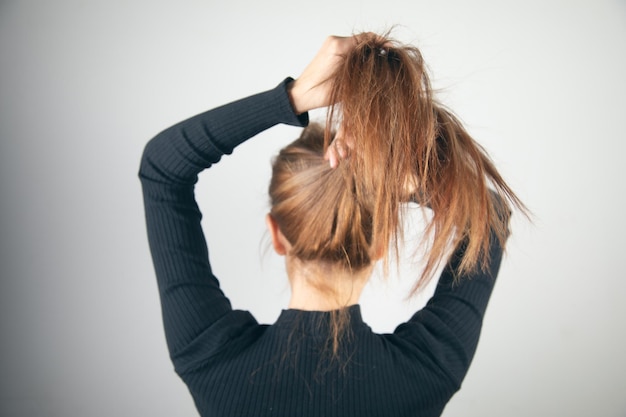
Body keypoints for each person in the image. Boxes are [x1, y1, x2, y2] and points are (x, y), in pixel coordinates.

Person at [139, 32, 525, 417]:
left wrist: (292, 98)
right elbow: (489, 214)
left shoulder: (210, 360)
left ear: (277, 235)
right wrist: (392, 180)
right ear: (382, 241)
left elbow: (162, 169)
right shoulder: (427, 372)